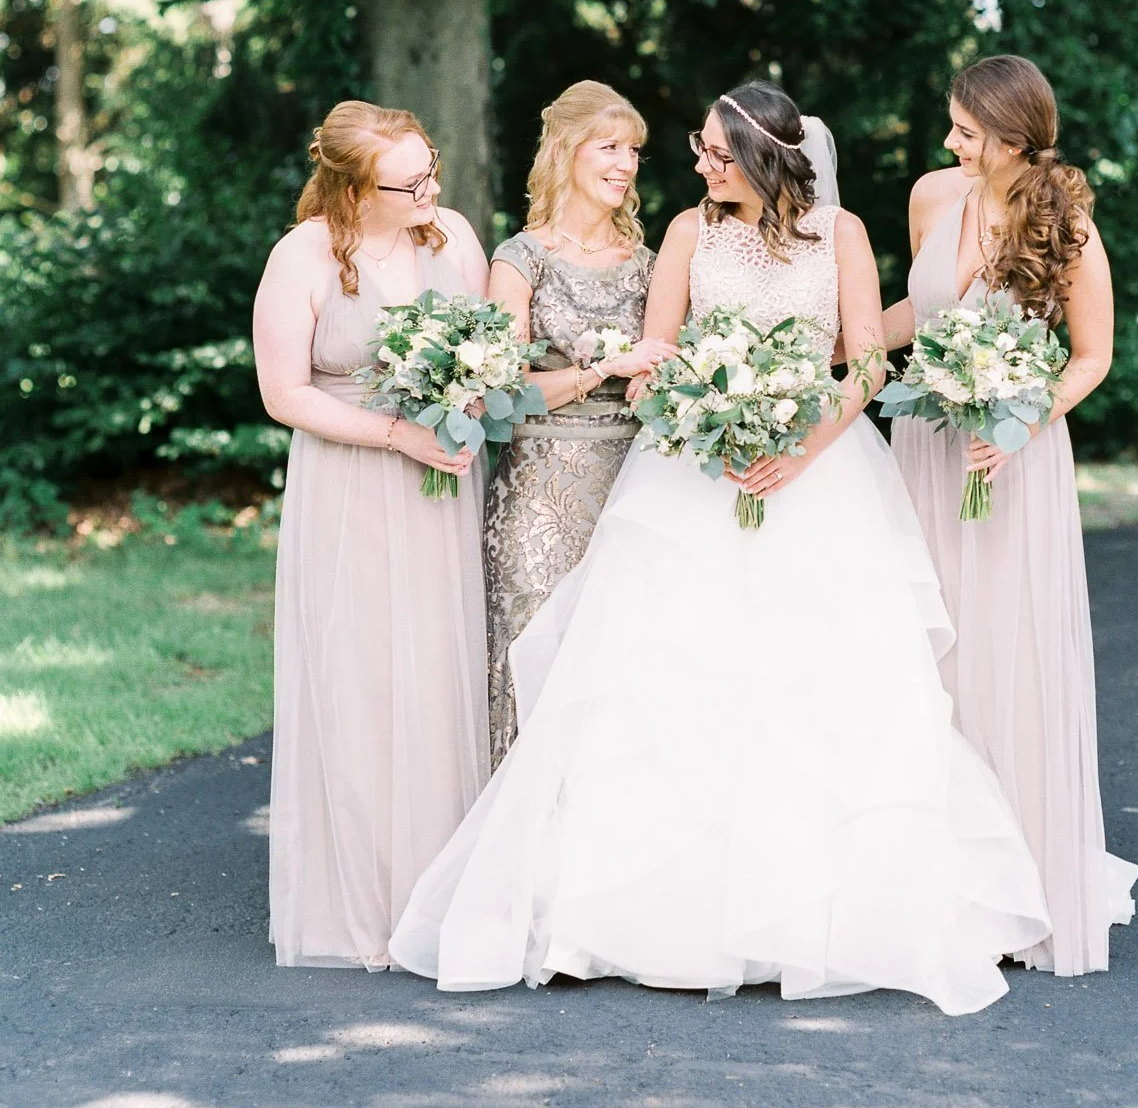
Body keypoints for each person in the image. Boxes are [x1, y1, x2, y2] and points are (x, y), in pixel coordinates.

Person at [389, 82, 1051, 1013]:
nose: (697, 165)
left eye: (711, 151)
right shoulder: (690, 235)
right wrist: (711, 418)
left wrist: (801, 447)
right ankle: (607, 918)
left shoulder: (844, 233)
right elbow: (658, 354)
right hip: (693, 476)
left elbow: (864, 359)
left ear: (762, 154)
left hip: (821, 474)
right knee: (659, 680)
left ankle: (821, 917)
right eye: (698, 150)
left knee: (818, 688)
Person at [884, 54, 1138, 976]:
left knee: (1003, 653)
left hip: (1012, 458)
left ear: (1012, 137)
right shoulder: (929, 196)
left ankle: (1018, 885)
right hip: (927, 448)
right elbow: (918, 308)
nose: (949, 142)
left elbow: (1091, 354)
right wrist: (833, 345)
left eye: (965, 130)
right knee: (926, 652)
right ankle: (931, 880)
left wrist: (1023, 420)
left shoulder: (1063, 218)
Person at [253, 101, 491, 969]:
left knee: (439, 673)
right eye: (410, 181)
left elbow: (489, 345)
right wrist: (399, 433)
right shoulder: (304, 255)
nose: (431, 188)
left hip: (443, 488)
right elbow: (285, 394)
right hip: (351, 483)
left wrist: (468, 398)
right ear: (355, 187)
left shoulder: (453, 237)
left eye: (433, 168)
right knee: (358, 677)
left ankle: (442, 900)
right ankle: (360, 905)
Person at [483, 81, 674, 768]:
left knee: (624, 661)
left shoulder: (650, 267)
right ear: (565, 150)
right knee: (535, 654)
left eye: (635, 152)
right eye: (611, 147)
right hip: (538, 496)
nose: (626, 165)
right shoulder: (520, 259)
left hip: (635, 486)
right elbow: (502, 396)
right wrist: (601, 369)